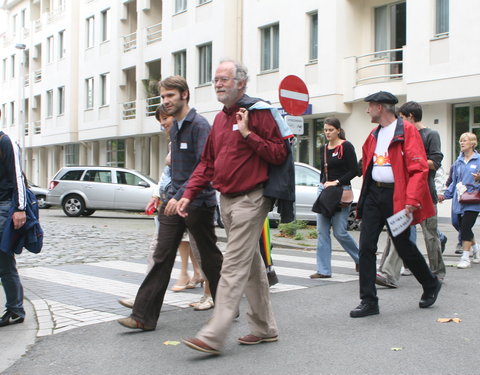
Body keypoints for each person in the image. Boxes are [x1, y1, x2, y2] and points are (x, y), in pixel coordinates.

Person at [177, 59, 287, 355]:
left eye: (224, 79)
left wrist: (248, 134)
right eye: (215, 79)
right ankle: (264, 328)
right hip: (226, 200)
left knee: (234, 264)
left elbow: (279, 153)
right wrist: (189, 192)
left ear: (241, 82)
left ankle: (214, 333)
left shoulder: (258, 112)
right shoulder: (219, 120)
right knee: (250, 266)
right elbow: (207, 162)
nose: (218, 84)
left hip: (253, 198)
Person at [117, 76, 223, 330]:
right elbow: (176, 168)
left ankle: (226, 307)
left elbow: (205, 167)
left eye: (170, 96)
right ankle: (142, 317)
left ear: (184, 95)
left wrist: (182, 195)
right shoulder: (174, 127)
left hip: (199, 203)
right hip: (174, 203)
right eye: (163, 97)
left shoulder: (199, 125)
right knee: (161, 255)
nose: (165, 101)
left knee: (209, 258)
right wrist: (169, 197)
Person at [351, 91, 441, 318]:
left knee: (403, 246)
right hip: (374, 195)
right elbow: (367, 162)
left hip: (396, 196)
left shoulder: (407, 131)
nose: (367, 110)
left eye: (370, 106)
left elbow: (419, 169)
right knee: (366, 247)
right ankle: (369, 301)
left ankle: (430, 283)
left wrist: (411, 200)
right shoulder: (374, 134)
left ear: (380, 108)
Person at [375, 101, 446, 287]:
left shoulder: (431, 134)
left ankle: (437, 272)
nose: (399, 121)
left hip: (425, 192)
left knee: (430, 235)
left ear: (411, 117)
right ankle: (388, 273)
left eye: (402, 117)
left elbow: (435, 161)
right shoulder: (401, 134)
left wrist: (413, 161)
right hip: (403, 193)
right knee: (397, 233)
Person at [310, 117, 359, 279]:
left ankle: (361, 259)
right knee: (322, 232)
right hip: (325, 193)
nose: (328, 133)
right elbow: (323, 172)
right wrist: (322, 185)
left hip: (341, 191)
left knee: (339, 232)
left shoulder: (346, 146)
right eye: (325, 130)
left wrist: (336, 182)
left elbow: (354, 170)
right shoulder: (323, 148)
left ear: (338, 130)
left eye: (331, 129)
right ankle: (323, 270)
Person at [438, 132, 480, 268]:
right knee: (458, 225)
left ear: (472, 143)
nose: (461, 143)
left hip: (473, 200)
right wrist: (445, 195)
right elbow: (453, 182)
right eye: (460, 140)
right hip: (459, 199)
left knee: (466, 227)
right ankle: (476, 249)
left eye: (465, 140)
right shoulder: (458, 162)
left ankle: (465, 258)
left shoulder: (479, 160)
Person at [0, 126, 27, 327]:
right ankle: (15, 307)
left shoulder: (5, 142)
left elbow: (17, 176)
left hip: (4, 206)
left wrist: (20, 208)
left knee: (3, 259)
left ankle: (15, 309)